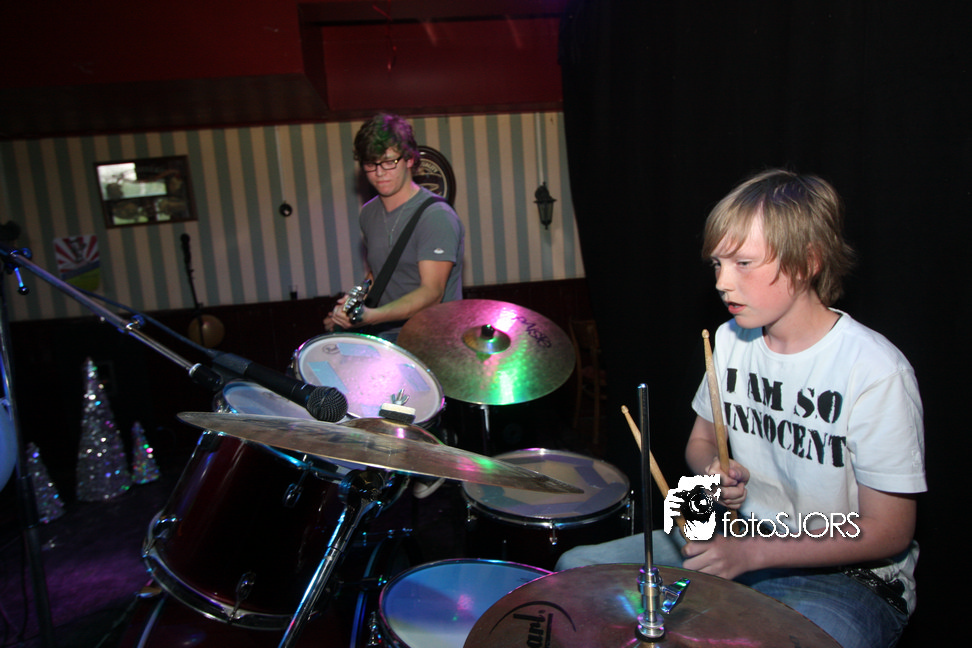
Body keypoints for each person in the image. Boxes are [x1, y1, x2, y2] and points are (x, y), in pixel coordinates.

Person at [556, 169, 926, 648]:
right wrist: (715, 469)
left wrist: (753, 552)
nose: (722, 282)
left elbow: (890, 531)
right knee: (575, 570)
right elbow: (700, 442)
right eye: (717, 264)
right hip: (737, 535)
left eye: (743, 263)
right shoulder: (730, 340)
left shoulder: (874, 370)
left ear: (808, 261)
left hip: (848, 575)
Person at [325, 113, 464, 342]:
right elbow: (379, 273)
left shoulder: (436, 216)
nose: (379, 173)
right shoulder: (368, 214)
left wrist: (371, 316)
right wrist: (350, 308)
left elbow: (432, 292)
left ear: (409, 159)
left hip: (435, 340)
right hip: (388, 338)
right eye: (371, 164)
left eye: (389, 162)